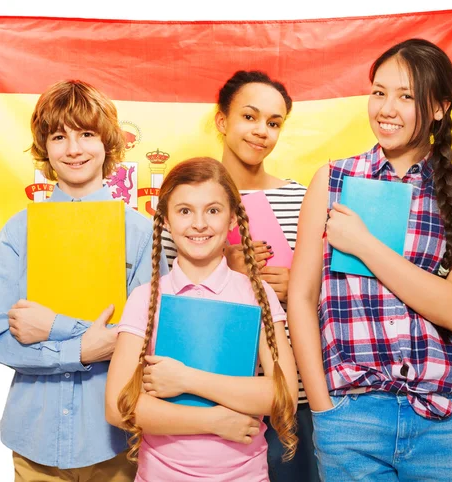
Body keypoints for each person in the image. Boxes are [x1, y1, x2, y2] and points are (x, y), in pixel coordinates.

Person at [288, 38, 452, 481]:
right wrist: (324, 408)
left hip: (447, 424)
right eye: (379, 92)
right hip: (352, 419)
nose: (386, 108)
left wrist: (364, 244)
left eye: (406, 96)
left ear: (439, 108)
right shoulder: (332, 179)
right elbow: (300, 298)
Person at [0, 79, 168, 481]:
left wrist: (56, 329)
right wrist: (83, 348)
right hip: (34, 436)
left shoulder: (142, 232)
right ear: (45, 148)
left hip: (113, 439)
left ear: (108, 143)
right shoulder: (19, 230)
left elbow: (151, 334)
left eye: (86, 134)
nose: (73, 149)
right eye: (59, 136)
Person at [161, 70, 318, 481]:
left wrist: (298, 287)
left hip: (292, 395)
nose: (261, 131)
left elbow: (329, 297)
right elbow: (159, 303)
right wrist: (224, 268)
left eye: (273, 122)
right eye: (249, 116)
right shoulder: (187, 199)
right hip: (200, 394)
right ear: (221, 121)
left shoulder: (301, 197)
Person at [106, 157, 299, 482]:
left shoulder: (257, 293)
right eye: (184, 211)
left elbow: (284, 397)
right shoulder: (146, 298)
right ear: (165, 219)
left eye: (213, 210)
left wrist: (186, 380)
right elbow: (117, 407)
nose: (199, 224)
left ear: (233, 219)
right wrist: (214, 421)